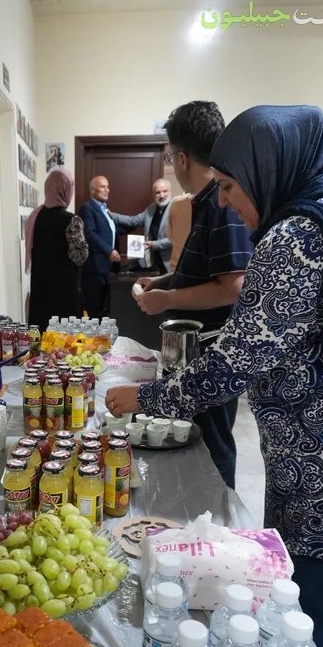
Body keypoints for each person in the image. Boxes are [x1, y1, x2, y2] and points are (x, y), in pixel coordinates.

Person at [106, 104, 323, 647]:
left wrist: (144, 397)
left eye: (232, 187)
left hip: (319, 477)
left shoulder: (294, 238)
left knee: (311, 636)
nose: (226, 202)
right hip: (319, 455)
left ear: (267, 171)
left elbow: (229, 367)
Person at [133, 101, 253, 488]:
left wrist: (167, 300)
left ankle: (218, 517)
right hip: (193, 355)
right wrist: (164, 282)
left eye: (171, 156)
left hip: (212, 355)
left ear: (182, 158)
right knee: (193, 440)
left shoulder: (221, 203)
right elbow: (204, 270)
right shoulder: (204, 201)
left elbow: (232, 287)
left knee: (213, 446)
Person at [26, 167, 88, 332]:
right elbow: (80, 257)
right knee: (66, 342)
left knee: (43, 338)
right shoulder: (72, 220)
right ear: (67, 190)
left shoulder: (34, 217)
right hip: (65, 294)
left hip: (41, 292)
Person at [78, 175, 121, 318]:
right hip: (94, 269)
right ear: (92, 189)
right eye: (103, 186)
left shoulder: (105, 210)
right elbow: (89, 234)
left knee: (105, 310)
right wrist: (109, 251)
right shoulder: (87, 208)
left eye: (108, 187)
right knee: (94, 311)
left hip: (107, 268)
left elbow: (110, 232)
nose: (107, 190)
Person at [111, 178, 173, 275]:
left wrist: (154, 244)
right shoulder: (151, 209)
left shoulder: (176, 208)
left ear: (170, 192)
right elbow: (133, 221)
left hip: (170, 261)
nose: (161, 195)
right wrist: (111, 215)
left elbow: (176, 239)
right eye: (158, 192)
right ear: (154, 195)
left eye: (164, 191)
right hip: (154, 260)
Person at [167, 192, 193, 271]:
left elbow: (169, 236)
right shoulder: (212, 202)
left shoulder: (176, 202)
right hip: (200, 269)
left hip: (177, 266)